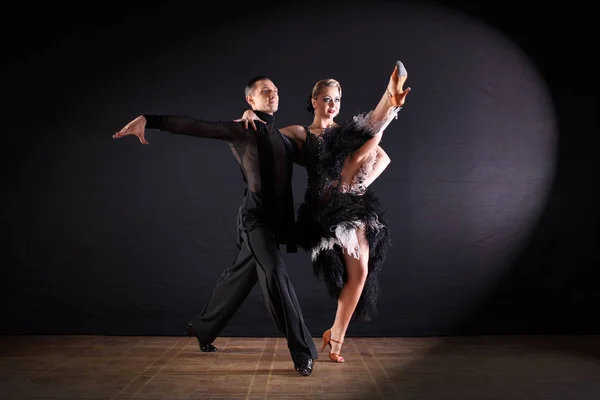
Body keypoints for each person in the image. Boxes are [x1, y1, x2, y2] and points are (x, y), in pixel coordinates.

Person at [112, 76, 319, 376]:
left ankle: (203, 328)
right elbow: (198, 126)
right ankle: (303, 352)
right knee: (274, 272)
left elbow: (317, 159)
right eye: (265, 92)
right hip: (254, 219)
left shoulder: (284, 139)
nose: (273, 95)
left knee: (239, 278)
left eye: (275, 91)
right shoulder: (242, 129)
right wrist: (150, 119)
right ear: (251, 100)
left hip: (276, 223)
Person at [240, 61, 410, 363]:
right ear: (314, 101)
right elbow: (268, 136)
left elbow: (381, 156)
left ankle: (336, 334)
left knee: (359, 274)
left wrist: (359, 184)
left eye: (338, 100)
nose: (332, 105)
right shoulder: (301, 132)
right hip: (322, 209)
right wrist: (251, 113)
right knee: (365, 140)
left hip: (352, 205)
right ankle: (389, 100)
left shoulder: (346, 132)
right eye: (327, 99)